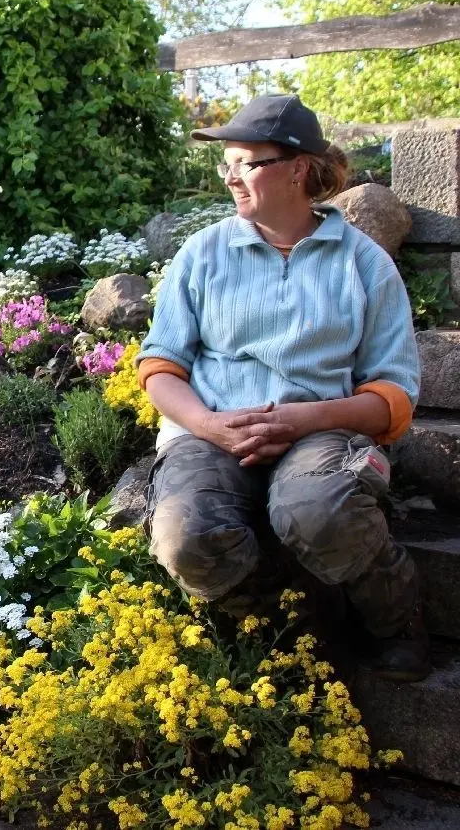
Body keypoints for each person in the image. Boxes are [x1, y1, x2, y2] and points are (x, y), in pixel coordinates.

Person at [137, 93, 428, 682]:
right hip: (213, 430)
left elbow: (393, 398)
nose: (230, 176)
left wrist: (304, 421)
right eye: (228, 164)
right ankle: (288, 625)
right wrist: (206, 425)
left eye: (246, 162)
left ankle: (396, 619)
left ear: (298, 169)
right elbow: (160, 368)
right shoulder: (203, 254)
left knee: (316, 509)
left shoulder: (364, 264)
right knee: (185, 534)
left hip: (321, 433)